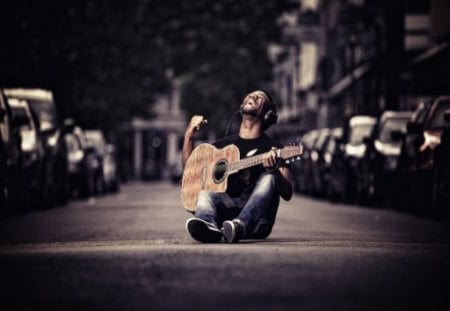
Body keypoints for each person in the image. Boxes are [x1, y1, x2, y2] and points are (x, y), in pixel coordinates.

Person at [182, 89, 294, 243]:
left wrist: (275, 170)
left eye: (260, 98)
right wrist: (188, 137)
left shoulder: (274, 148)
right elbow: (190, 172)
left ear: (267, 115)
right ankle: (208, 226)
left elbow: (287, 193)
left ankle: (240, 225)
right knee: (204, 193)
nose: (253, 97)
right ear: (242, 106)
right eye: (250, 95)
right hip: (224, 221)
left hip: (257, 223)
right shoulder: (223, 147)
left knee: (269, 178)